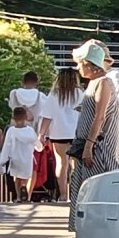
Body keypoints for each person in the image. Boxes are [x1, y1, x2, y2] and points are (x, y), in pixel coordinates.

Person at [65, 40, 119, 238]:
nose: (79, 68)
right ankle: (81, 234)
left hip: (98, 146)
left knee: (95, 192)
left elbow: (99, 117)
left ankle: (94, 237)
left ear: (90, 64)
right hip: (86, 143)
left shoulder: (104, 83)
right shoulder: (93, 83)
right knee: (81, 189)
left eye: (81, 63)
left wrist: (89, 145)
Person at [39, 68, 83, 202]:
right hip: (77, 132)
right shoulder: (80, 93)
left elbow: (47, 116)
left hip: (59, 133)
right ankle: (77, 194)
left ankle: (63, 195)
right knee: (76, 165)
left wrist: (41, 134)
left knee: (62, 163)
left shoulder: (54, 94)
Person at [0, 106, 38, 202]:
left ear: (14, 118)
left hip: (15, 157)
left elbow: (7, 145)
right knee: (25, 177)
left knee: (16, 177)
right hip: (27, 157)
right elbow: (35, 142)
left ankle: (19, 197)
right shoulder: (30, 130)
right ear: (25, 117)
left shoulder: (11, 131)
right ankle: (25, 190)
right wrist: (40, 147)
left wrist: (3, 159)